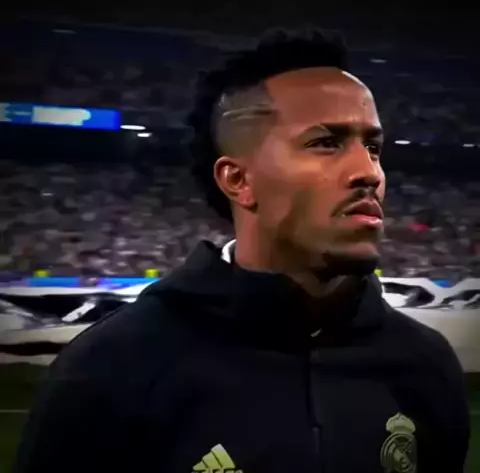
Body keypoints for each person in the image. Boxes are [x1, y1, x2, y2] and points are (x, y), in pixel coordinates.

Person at [14, 28, 470, 473]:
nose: (368, 171)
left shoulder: (424, 364)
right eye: (325, 143)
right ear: (238, 180)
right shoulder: (111, 368)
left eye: (373, 146)